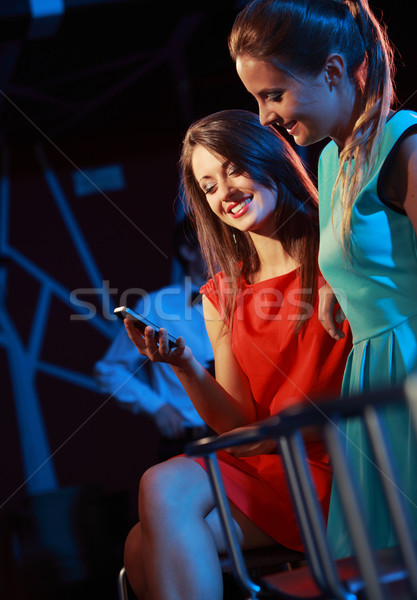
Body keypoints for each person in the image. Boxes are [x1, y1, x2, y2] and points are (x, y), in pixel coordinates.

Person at [122, 109, 351, 600]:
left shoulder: (339, 249)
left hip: (343, 462)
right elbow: (237, 423)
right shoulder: (221, 293)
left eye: (232, 170)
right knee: (140, 544)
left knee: (159, 497)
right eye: (207, 186)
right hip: (271, 460)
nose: (223, 192)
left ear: (268, 157)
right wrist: (182, 365)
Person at [229, 0, 417, 557]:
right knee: (378, 564)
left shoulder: (403, 144)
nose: (264, 118)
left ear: (333, 72)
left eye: (273, 95)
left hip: (407, 370)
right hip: (371, 381)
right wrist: (338, 285)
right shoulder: (333, 160)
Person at [94, 218, 214, 460]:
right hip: (189, 443)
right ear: (188, 251)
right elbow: (110, 369)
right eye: (213, 240)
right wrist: (156, 406)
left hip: (250, 432)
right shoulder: (156, 306)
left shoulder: (250, 297)